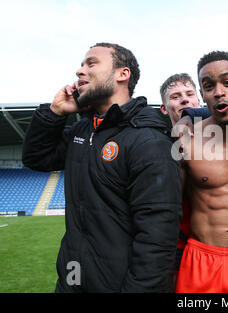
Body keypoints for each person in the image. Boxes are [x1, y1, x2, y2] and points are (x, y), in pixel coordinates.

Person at [22, 43, 181, 292]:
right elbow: (36, 158)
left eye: (91, 63)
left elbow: (157, 239)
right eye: (82, 64)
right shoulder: (83, 131)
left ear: (122, 74)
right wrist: (55, 112)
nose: (80, 71)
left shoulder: (148, 140)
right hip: (72, 279)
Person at [174, 51, 228, 293]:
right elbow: (169, 211)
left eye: (227, 83)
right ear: (202, 94)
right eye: (209, 86)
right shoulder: (185, 140)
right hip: (199, 259)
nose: (218, 92)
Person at [159, 73, 201, 282]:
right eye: (175, 96)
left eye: (189, 93)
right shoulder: (155, 147)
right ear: (164, 108)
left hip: (212, 251)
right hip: (172, 253)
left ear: (199, 100)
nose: (184, 99)